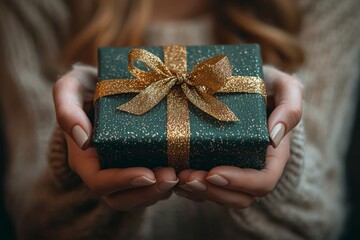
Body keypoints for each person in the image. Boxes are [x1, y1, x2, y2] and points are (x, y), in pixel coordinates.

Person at [0, 0, 358, 239]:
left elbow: (320, 222)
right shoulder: (33, 8)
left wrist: (283, 160)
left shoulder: (331, 6)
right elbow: (34, 221)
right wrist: (74, 158)